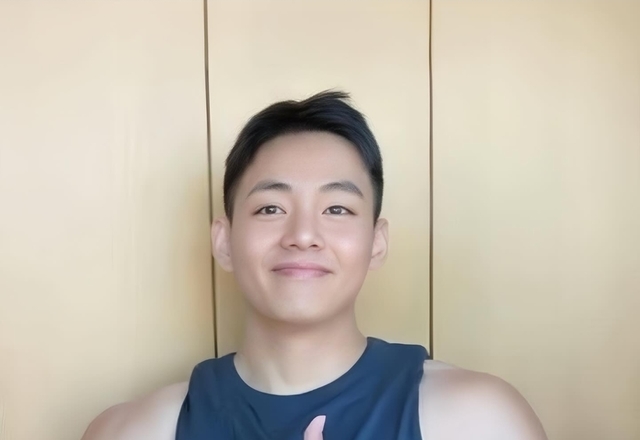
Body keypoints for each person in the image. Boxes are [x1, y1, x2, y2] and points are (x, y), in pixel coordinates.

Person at [82, 91, 547, 440]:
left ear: (376, 243)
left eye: (337, 209)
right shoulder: (133, 431)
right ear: (223, 242)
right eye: (270, 208)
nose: (303, 234)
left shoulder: (479, 421)